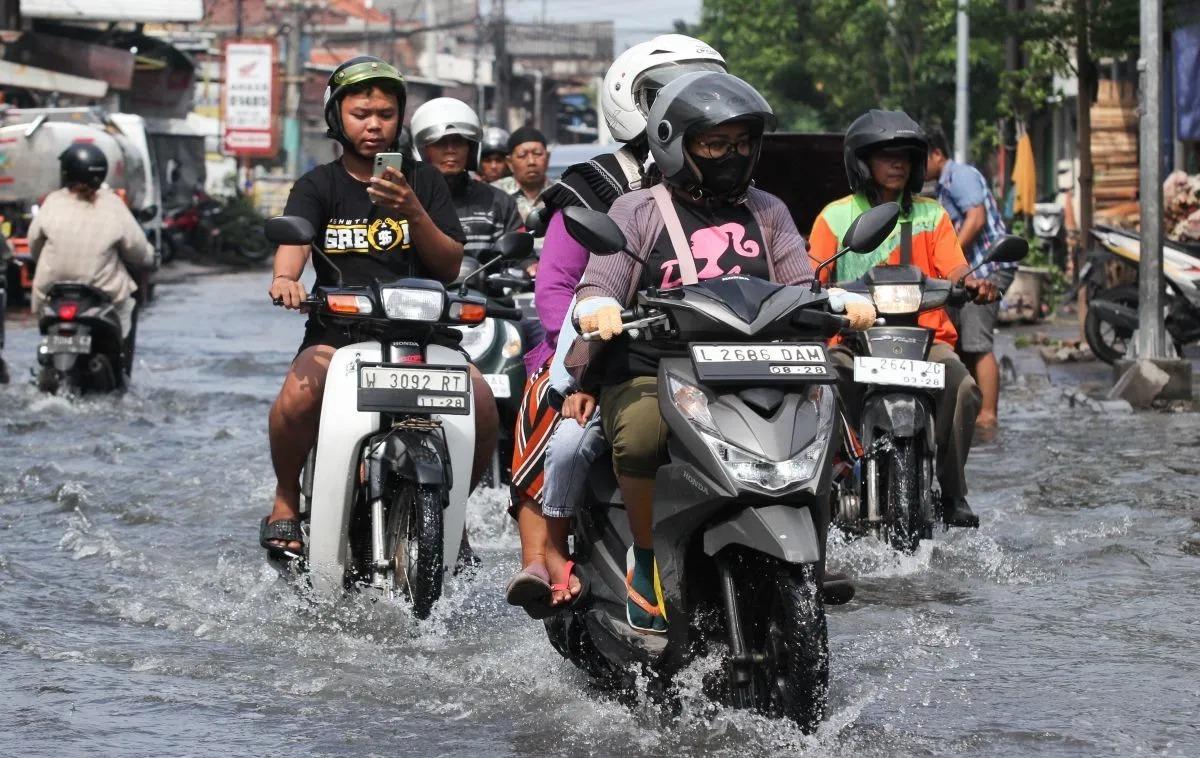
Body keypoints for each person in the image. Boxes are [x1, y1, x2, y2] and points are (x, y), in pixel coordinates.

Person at [572, 72, 876, 634]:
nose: (730, 155)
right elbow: (599, 284)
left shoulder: (769, 210)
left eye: (741, 143)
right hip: (658, 367)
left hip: (760, 366)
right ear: (673, 144)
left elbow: (800, 281)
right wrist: (598, 308)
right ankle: (646, 564)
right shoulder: (637, 212)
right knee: (638, 433)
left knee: (827, 418)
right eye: (714, 144)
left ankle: (811, 557)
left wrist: (838, 299)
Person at [502, 35, 729, 617]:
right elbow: (555, 286)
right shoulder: (597, 185)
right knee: (555, 412)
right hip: (602, 337)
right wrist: (583, 347)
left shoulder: (740, 184)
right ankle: (543, 554)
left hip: (713, 343)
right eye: (669, 96)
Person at [260, 56, 496, 559]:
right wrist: (286, 279)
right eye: (361, 113)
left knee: (482, 404)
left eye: (386, 114)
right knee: (297, 398)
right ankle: (284, 501)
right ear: (336, 119)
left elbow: (449, 266)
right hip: (340, 332)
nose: (374, 124)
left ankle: (449, 512)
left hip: (422, 333)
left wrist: (411, 207)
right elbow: (295, 242)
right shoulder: (318, 184)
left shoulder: (423, 181)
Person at [808, 110, 998, 532]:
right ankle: (830, 477)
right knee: (823, 382)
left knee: (964, 388)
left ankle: (952, 490)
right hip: (855, 340)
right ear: (862, 162)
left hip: (925, 342)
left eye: (905, 157)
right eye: (886, 156)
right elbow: (810, 275)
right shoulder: (834, 218)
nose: (897, 164)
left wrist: (974, 284)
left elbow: (955, 270)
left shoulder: (932, 216)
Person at [925, 126, 1015, 431]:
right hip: (969, 272)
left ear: (936, 154)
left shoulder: (959, 175)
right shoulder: (938, 187)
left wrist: (949, 256)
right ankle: (967, 409)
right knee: (959, 341)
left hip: (987, 268)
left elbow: (976, 218)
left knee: (977, 342)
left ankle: (988, 415)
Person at [28, 143, 155, 342]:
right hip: (102, 296)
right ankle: (121, 368)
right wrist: (150, 256)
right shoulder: (112, 203)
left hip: (51, 295)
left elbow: (34, 244)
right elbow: (137, 251)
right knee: (126, 306)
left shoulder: (53, 202)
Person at [410, 98, 521, 258]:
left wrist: (528, 267)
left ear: (471, 149)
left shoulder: (500, 203)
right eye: (440, 142)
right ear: (424, 151)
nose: (450, 150)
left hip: (484, 283)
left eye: (458, 142)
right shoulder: (408, 202)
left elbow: (519, 258)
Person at [492, 127, 551, 224]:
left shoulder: (561, 195)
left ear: (547, 158)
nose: (531, 161)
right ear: (510, 162)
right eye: (522, 155)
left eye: (537, 153)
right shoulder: (494, 194)